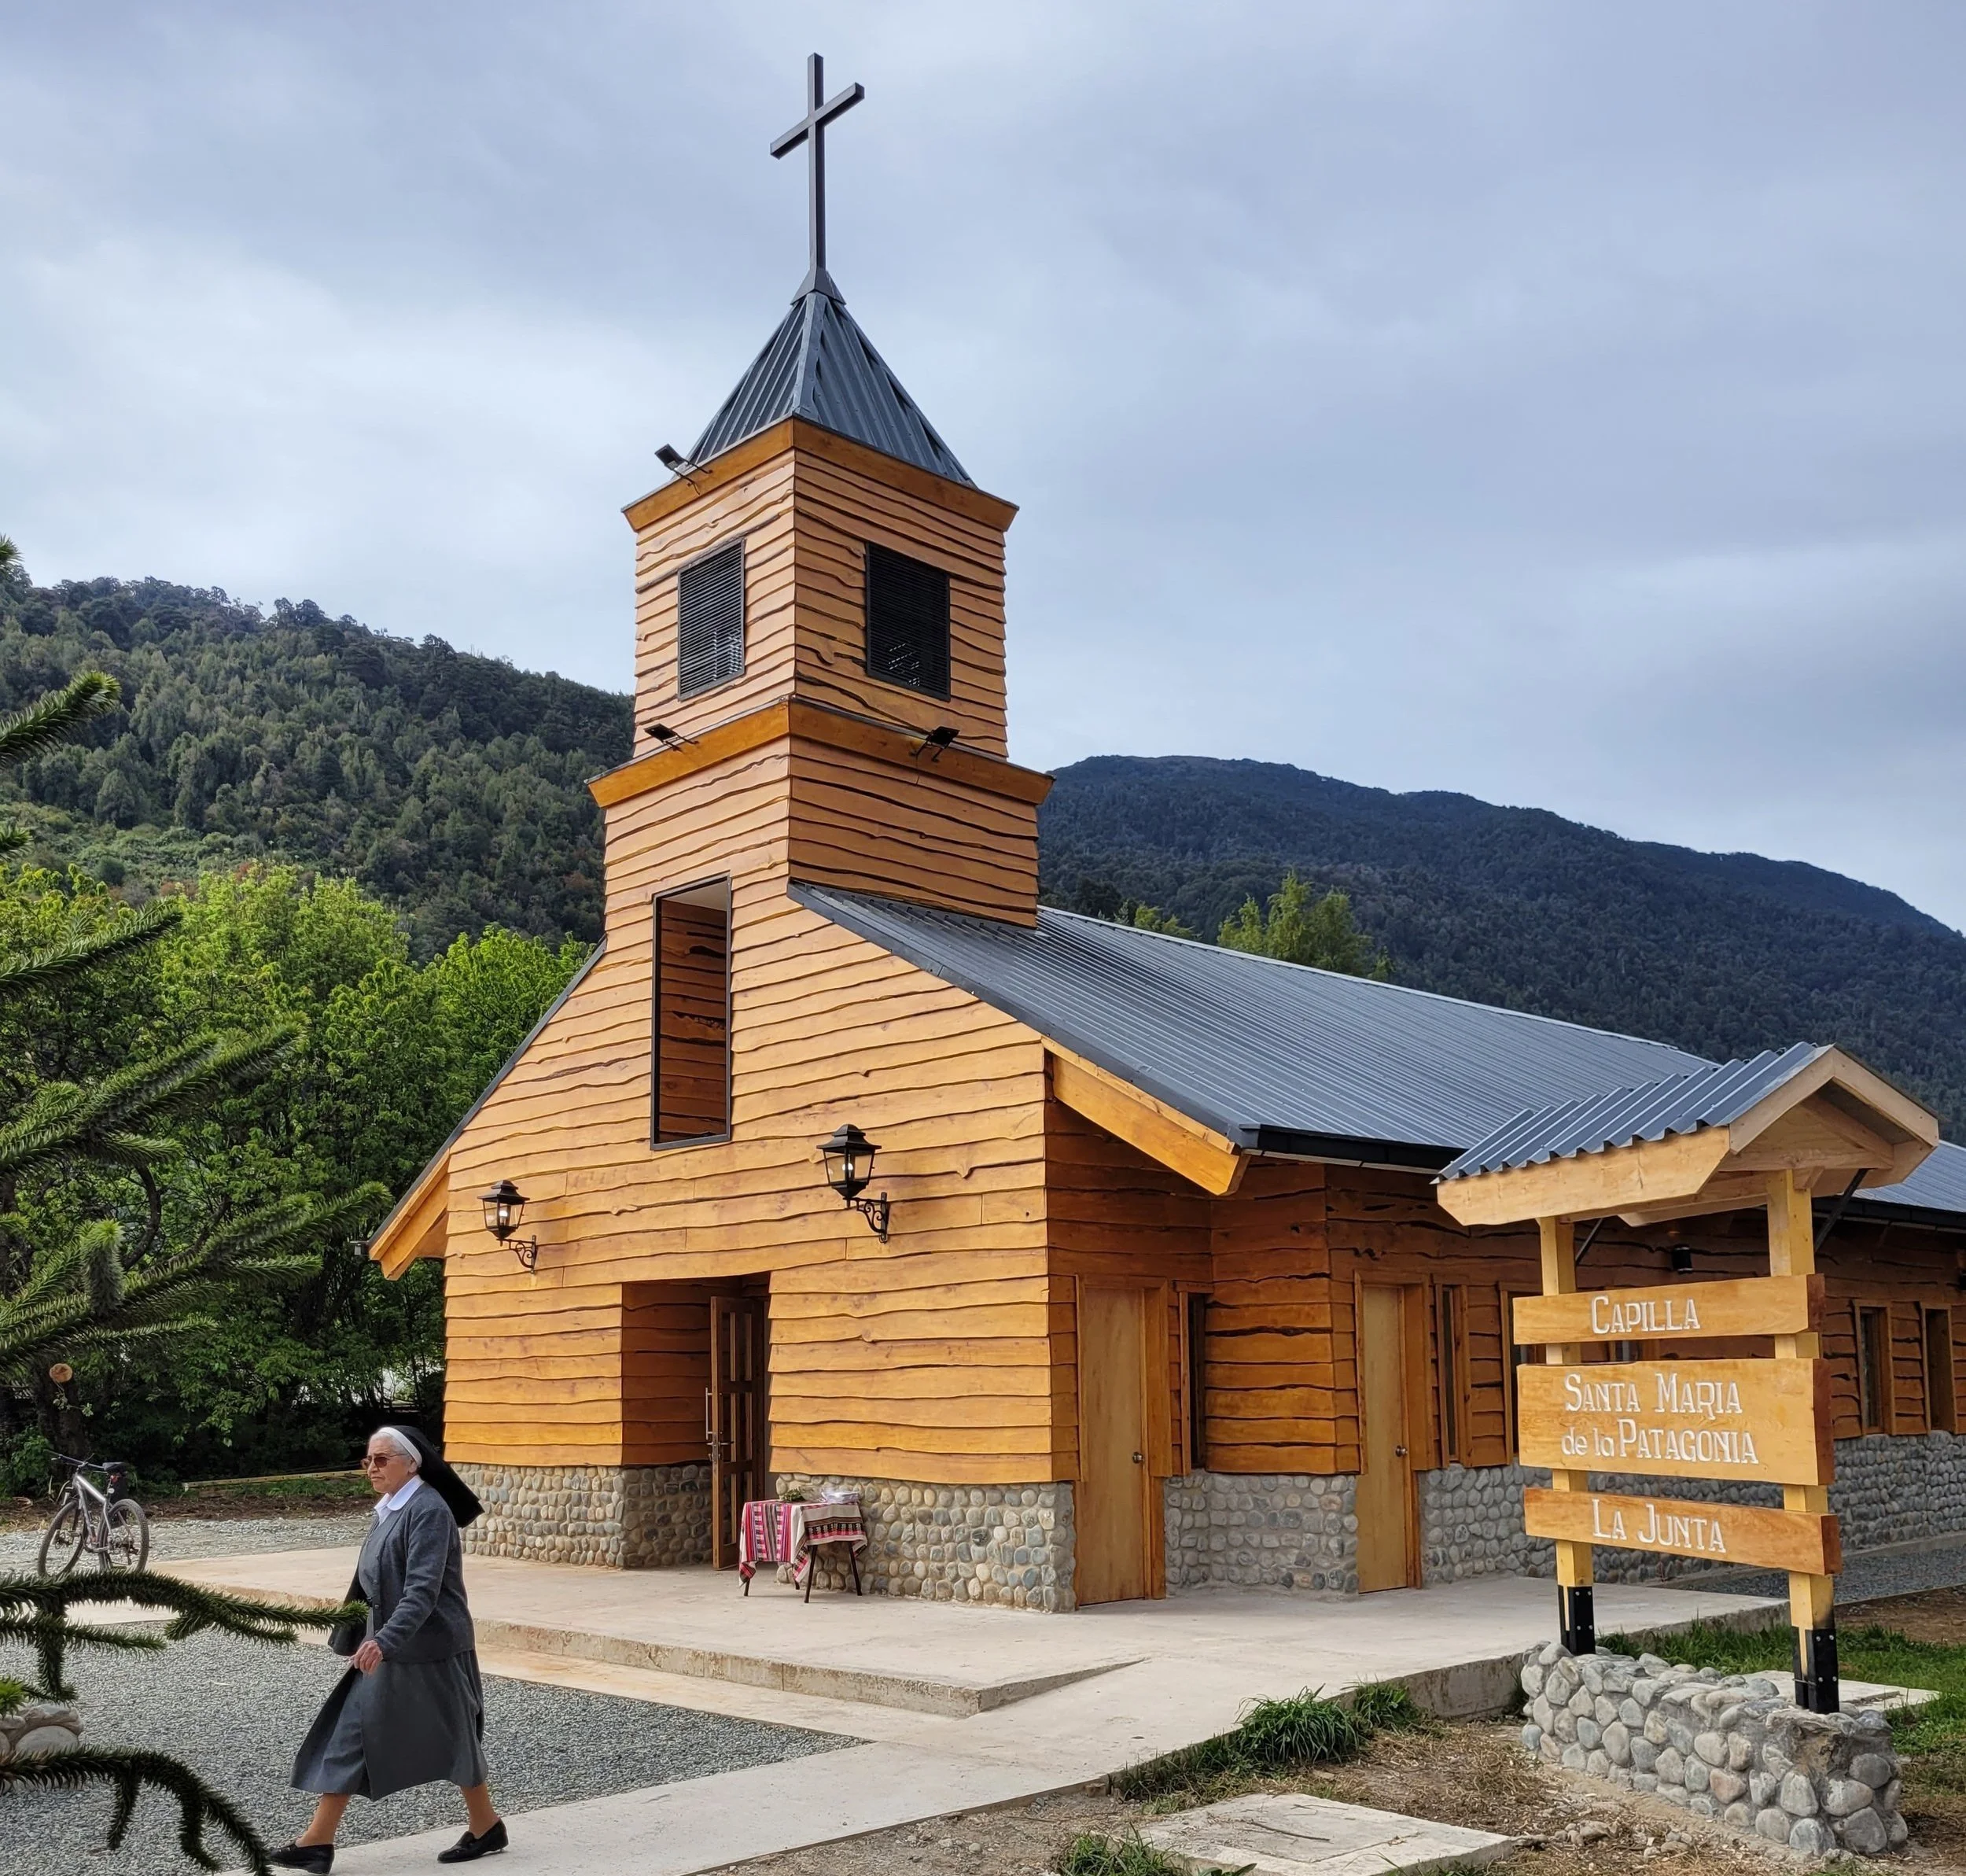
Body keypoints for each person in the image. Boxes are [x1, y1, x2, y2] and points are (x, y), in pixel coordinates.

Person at [270, 1426, 507, 1870]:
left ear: (412, 1463)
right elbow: (371, 1581)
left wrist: (384, 1640)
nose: (372, 1469)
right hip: (388, 1646)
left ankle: (485, 1825)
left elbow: (423, 1591)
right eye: (368, 1460)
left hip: (432, 1648)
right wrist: (359, 1632)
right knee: (351, 1732)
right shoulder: (391, 1509)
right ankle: (317, 1841)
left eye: (382, 1460)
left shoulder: (429, 1511)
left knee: (456, 1736)